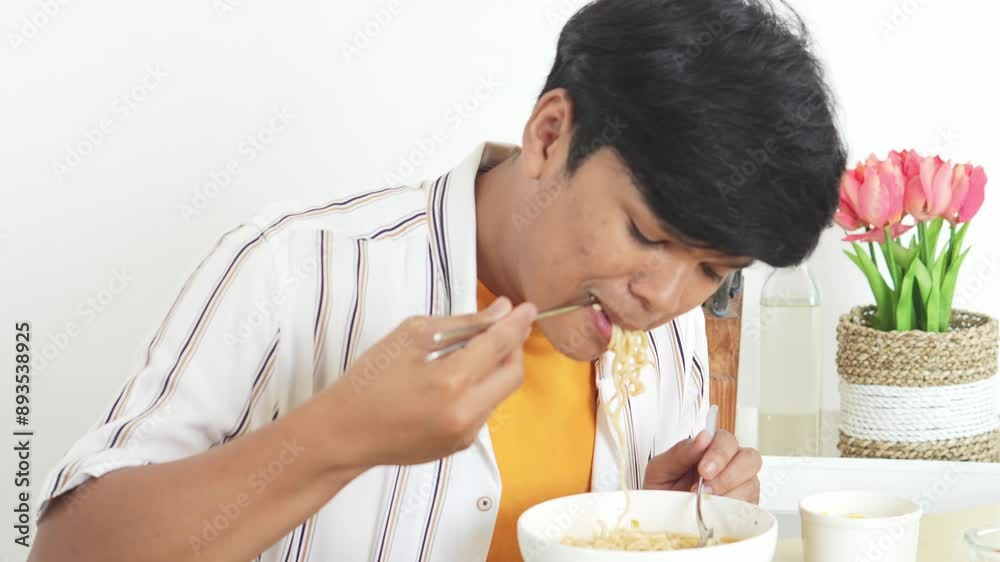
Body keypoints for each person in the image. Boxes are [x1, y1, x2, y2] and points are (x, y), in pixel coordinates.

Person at [29, 0, 845, 560]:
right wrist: (341, 434)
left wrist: (665, 520)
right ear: (550, 135)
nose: (664, 298)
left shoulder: (669, 336)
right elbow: (66, 552)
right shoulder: (301, 270)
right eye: (645, 234)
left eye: (712, 270)